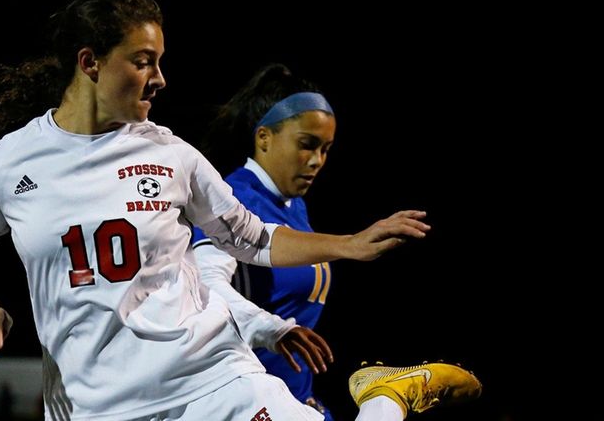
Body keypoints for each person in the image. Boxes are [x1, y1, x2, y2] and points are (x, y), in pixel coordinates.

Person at [0, 0, 476, 420]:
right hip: (95, 404)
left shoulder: (169, 153)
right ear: (90, 63)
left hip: (209, 378)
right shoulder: (12, 161)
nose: (160, 78)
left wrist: (350, 245)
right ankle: (386, 401)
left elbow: (250, 238)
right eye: (143, 62)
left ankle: (388, 396)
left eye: (160, 62)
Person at [191, 63, 482, 421]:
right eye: (306, 145)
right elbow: (205, 286)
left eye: (325, 149)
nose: (317, 161)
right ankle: (389, 396)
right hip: (239, 392)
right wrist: (269, 327)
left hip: (294, 395)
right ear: (264, 137)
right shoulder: (232, 197)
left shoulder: (293, 205)